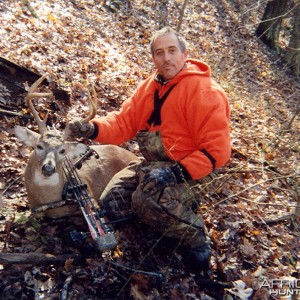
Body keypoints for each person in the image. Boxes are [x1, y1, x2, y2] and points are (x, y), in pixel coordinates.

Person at [67, 26, 231, 271]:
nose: (166, 58)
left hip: (193, 172)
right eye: (159, 52)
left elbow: (217, 150)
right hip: (154, 166)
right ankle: (158, 219)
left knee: (147, 202)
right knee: (111, 201)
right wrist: (91, 128)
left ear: (184, 54)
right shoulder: (149, 88)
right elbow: (123, 122)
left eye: (172, 51)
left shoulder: (205, 92)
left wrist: (175, 174)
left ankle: (196, 237)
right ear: (153, 58)